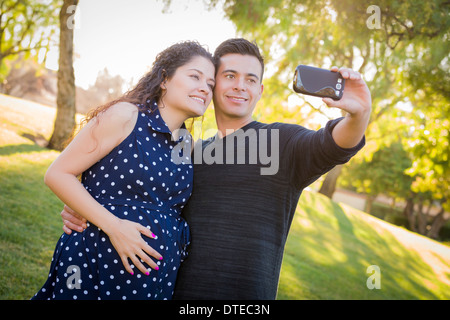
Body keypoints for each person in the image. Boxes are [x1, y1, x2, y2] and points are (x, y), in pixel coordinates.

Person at [61, 38, 371, 299]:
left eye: (251, 79)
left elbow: (333, 145)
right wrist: (88, 208)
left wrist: (358, 115)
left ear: (260, 90)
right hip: (171, 291)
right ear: (213, 84)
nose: (240, 86)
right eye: (229, 76)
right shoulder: (190, 151)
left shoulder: (282, 142)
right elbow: (150, 195)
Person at [32, 41, 216, 300]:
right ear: (164, 78)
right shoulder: (126, 116)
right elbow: (58, 174)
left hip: (154, 278)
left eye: (210, 84)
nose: (204, 88)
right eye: (195, 76)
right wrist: (114, 226)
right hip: (95, 262)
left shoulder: (187, 145)